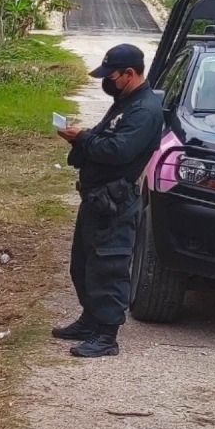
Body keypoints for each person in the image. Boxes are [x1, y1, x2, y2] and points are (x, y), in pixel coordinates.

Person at [55, 43, 163, 357]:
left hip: (115, 202)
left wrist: (83, 138)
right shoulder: (125, 101)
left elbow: (118, 151)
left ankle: (106, 335)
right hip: (97, 199)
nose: (108, 81)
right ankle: (90, 320)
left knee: (109, 266)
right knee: (84, 265)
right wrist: (84, 136)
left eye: (111, 75)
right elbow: (107, 137)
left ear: (130, 74)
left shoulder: (144, 109)